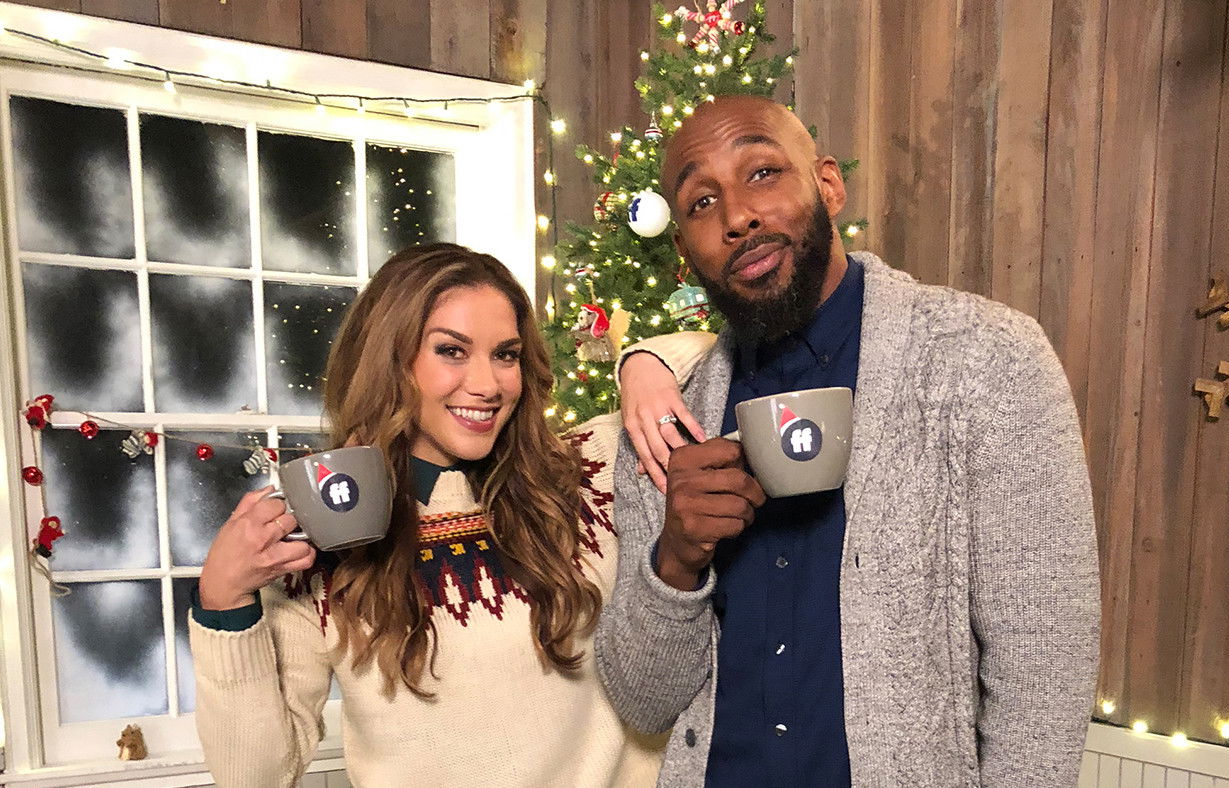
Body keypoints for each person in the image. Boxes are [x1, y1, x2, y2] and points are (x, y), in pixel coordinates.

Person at [597, 95, 1101, 786]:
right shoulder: (665, 426)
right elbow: (644, 702)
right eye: (702, 203)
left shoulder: (986, 360)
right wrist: (677, 560)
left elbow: (1044, 667)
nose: (738, 215)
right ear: (685, 250)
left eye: (763, 172)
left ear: (828, 185)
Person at [190, 243, 714, 786]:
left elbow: (718, 350)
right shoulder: (322, 533)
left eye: (505, 355)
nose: (488, 385)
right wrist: (223, 602)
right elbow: (256, 776)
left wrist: (643, 367)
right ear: (389, 361)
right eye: (452, 351)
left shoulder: (589, 472)